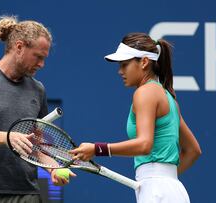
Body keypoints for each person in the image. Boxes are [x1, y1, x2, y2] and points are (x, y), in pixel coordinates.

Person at [0, 15, 75, 203]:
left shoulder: (38, 89)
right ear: (19, 47)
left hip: (27, 195)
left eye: (44, 58)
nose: (42, 64)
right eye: (38, 57)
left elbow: (36, 145)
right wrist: (6, 138)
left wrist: (54, 168)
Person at [70, 32, 201, 203]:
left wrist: (97, 149)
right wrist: (163, 178)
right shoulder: (168, 98)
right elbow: (193, 150)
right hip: (172, 190)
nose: (120, 71)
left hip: (157, 192)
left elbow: (144, 145)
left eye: (124, 65)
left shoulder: (145, 92)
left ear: (144, 62)